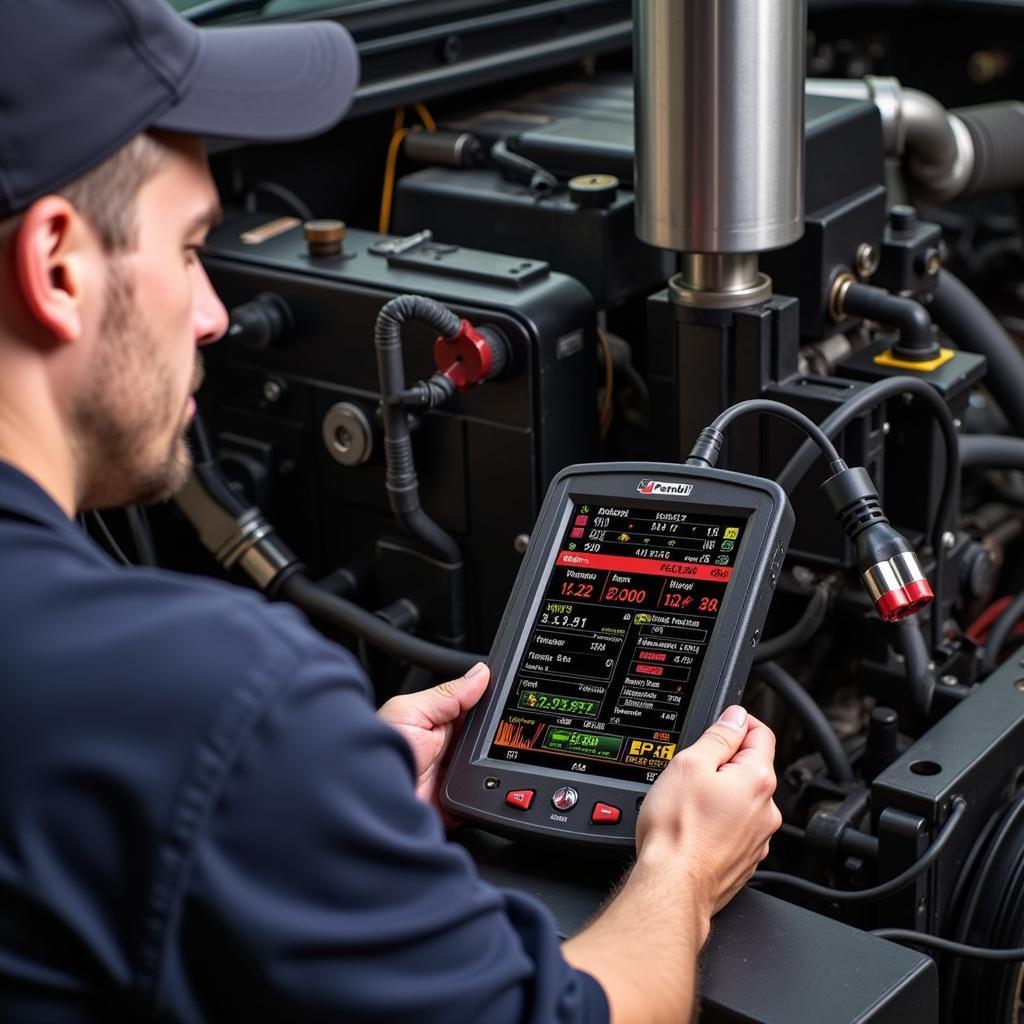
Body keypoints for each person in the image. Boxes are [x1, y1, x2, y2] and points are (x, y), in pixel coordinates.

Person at [0, 2, 782, 1022]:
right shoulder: (215, 701)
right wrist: (681, 867)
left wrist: (308, 810)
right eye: (191, 248)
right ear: (58, 264)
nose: (215, 315)